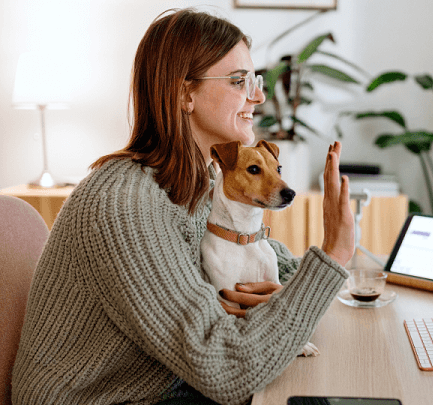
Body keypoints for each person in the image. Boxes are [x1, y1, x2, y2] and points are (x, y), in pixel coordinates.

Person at [11, 8, 354, 405]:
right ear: (184, 93)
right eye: (239, 81)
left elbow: (277, 264)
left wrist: (285, 291)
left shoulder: (200, 182)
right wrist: (335, 252)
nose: (258, 96)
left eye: (254, 81)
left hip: (170, 386)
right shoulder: (125, 204)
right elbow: (224, 369)